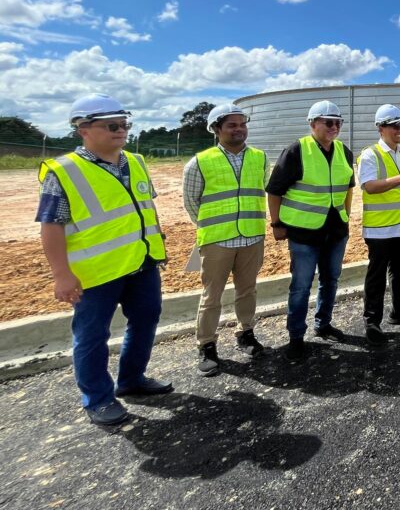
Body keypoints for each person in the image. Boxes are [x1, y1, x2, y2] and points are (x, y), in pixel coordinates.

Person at [37, 94, 171, 426]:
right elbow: (51, 226)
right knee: (92, 336)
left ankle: (132, 380)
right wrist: (61, 275)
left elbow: (146, 206)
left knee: (146, 319)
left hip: (142, 262)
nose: (121, 130)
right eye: (112, 126)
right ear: (83, 129)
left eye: (124, 124)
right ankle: (97, 400)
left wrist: (156, 239)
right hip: (96, 273)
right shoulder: (64, 171)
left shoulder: (135, 161)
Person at [183, 103, 268, 377]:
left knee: (248, 290)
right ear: (216, 129)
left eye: (242, 124)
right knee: (211, 296)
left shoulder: (260, 158)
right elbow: (191, 203)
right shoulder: (199, 162)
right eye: (232, 125)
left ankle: (246, 333)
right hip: (217, 240)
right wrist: (213, 226)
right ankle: (206, 345)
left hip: (252, 236)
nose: (239, 129)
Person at [266, 101, 354, 363]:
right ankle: (296, 336)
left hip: (335, 230)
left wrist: (346, 219)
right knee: (301, 286)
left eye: (338, 122)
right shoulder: (296, 151)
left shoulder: (344, 151)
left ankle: (323, 324)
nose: (334, 127)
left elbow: (348, 188)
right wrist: (277, 224)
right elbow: (274, 191)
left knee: (331, 280)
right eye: (328, 122)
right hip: (304, 233)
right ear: (313, 123)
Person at [357, 104, 400, 346]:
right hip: (380, 228)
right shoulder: (370, 155)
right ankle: (372, 322)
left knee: (399, 271)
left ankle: (399, 312)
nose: (399, 130)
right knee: (376, 275)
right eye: (394, 126)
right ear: (381, 128)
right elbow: (369, 186)